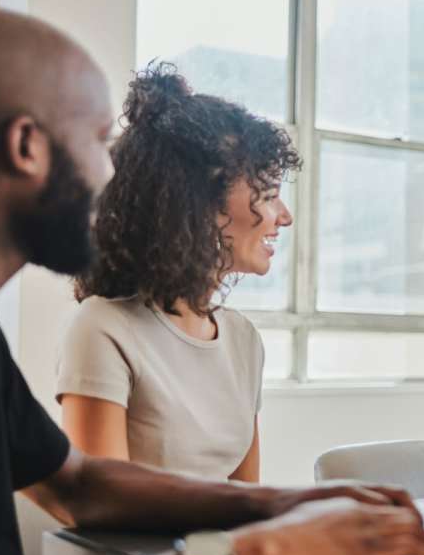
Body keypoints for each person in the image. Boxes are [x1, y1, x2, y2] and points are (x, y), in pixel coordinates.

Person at [0, 8, 424, 555]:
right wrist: (260, 554)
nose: (110, 177)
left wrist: (281, 504)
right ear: (26, 146)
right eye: (95, 142)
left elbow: (78, 485)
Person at [57, 64, 296, 482]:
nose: (285, 216)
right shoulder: (103, 328)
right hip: (138, 551)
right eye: (270, 194)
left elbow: (247, 500)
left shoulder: (243, 340)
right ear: (201, 203)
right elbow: (103, 509)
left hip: (225, 547)